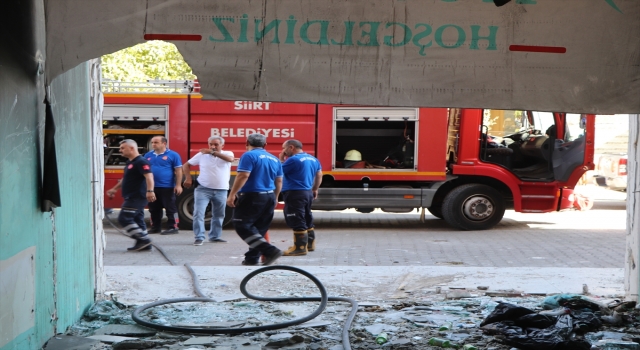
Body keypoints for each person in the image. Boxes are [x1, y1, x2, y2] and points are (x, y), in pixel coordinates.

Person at [226, 133, 283, 266]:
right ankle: (252, 258)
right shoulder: (274, 158)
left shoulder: (248, 155)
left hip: (252, 196)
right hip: (268, 195)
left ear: (246, 143)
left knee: (242, 225)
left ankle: (270, 251)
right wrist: (275, 197)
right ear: (265, 145)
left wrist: (232, 194)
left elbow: (243, 175)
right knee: (259, 228)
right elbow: (279, 180)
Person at [183, 136, 234, 246]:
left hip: (221, 190)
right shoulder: (202, 155)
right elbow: (186, 165)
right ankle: (199, 237)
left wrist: (211, 152)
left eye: (216, 144)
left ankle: (215, 236)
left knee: (219, 214)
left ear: (222, 146)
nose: (212, 146)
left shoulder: (228, 153)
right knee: (198, 213)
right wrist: (188, 178)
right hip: (203, 188)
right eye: (210, 144)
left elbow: (230, 160)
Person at [106, 139, 156, 251]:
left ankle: (144, 240)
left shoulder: (141, 162)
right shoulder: (130, 163)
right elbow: (125, 179)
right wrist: (114, 189)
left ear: (132, 148)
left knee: (124, 218)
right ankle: (144, 245)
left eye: (123, 148)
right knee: (138, 220)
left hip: (137, 196)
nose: (120, 151)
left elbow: (149, 177)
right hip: (131, 195)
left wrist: (150, 191)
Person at [278, 139, 322, 256]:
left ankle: (300, 247)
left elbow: (277, 172)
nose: (283, 151)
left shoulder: (293, 160)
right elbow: (319, 175)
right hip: (307, 192)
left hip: (295, 193)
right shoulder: (313, 159)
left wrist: (281, 160)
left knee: (297, 218)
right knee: (307, 216)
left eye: (284, 148)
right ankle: (309, 244)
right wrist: (314, 188)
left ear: (291, 147)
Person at [144, 136, 183, 235]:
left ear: (164, 143)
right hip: (152, 187)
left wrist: (178, 185)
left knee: (170, 208)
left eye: (156, 142)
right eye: (152, 142)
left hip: (167, 186)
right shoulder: (148, 155)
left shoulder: (173, 155)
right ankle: (155, 227)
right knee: (153, 208)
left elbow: (178, 171)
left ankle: (173, 227)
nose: (153, 144)